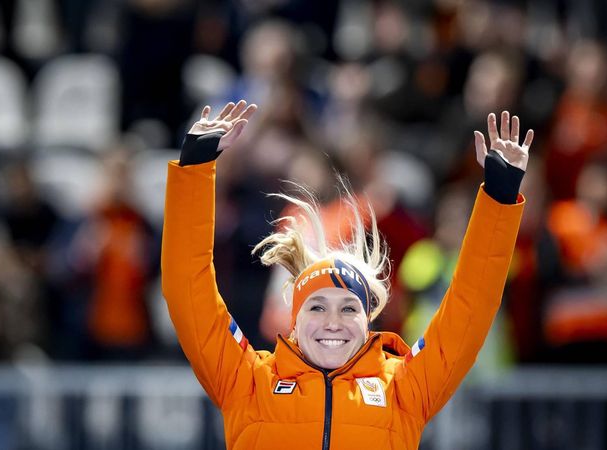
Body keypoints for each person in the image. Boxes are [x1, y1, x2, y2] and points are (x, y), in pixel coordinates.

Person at [161, 100, 532, 449]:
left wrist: (499, 199)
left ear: (368, 322)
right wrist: (194, 169)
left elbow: (469, 309)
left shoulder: (403, 388)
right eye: (317, 307)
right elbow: (188, 290)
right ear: (294, 320)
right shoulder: (249, 382)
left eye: (349, 308)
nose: (333, 322)